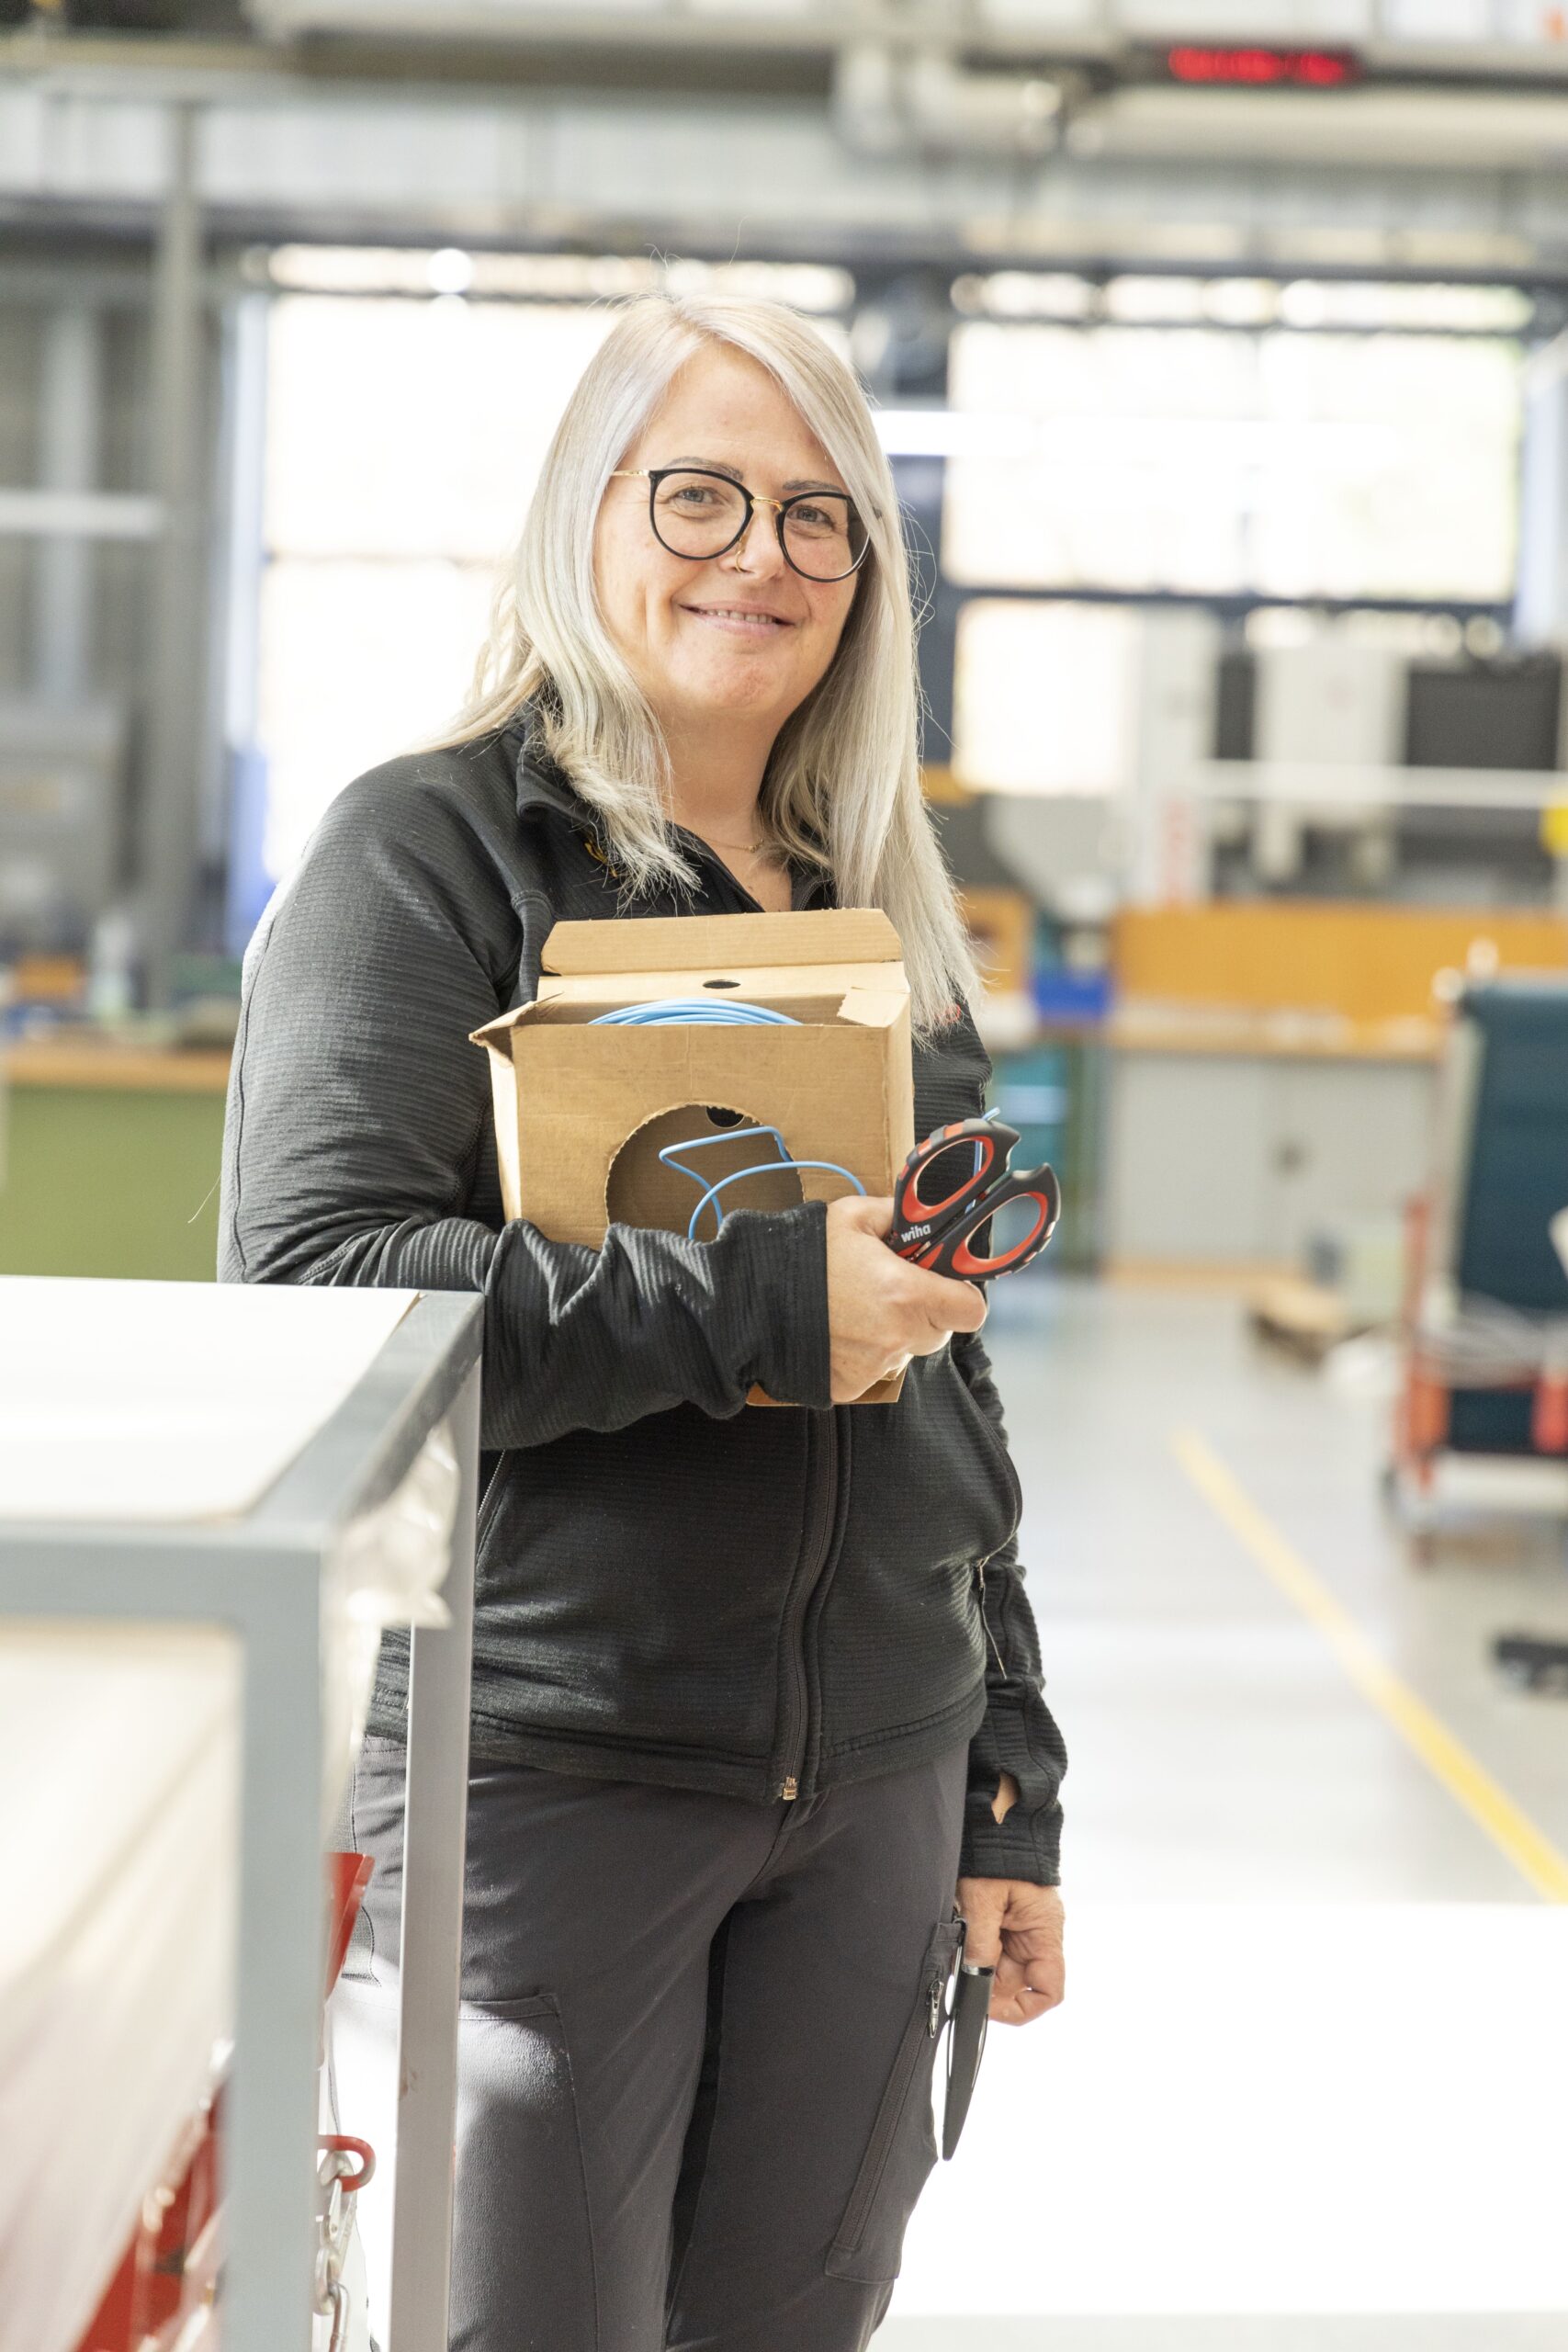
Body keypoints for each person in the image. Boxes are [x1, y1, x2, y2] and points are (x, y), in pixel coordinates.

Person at [220, 292, 1067, 2352]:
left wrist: (1005, 1769)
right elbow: (317, 1295)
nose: (758, 555)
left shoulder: (875, 899)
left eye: (817, 515)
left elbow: (943, 1374)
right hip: (544, 1775)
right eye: (699, 494)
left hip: (871, 1784)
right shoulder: (429, 853)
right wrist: (763, 1302)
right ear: (583, 511)